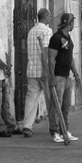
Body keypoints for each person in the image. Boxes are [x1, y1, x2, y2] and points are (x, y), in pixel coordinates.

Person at [46, 12, 81, 144]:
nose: (74, 24)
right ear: (69, 23)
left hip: (67, 76)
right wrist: (52, 77)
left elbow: (70, 58)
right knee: (56, 105)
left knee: (66, 106)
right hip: (58, 76)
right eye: (73, 22)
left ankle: (64, 129)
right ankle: (54, 131)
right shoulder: (56, 38)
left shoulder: (68, 38)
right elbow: (51, 58)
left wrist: (76, 74)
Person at [19, 8, 53, 137]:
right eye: (49, 16)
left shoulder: (31, 31)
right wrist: (46, 70)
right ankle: (54, 126)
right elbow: (45, 52)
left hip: (32, 69)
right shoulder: (47, 31)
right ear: (46, 16)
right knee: (50, 99)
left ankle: (27, 126)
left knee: (31, 98)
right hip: (43, 71)